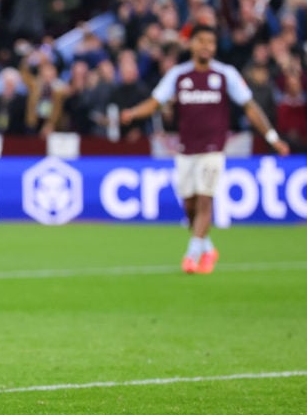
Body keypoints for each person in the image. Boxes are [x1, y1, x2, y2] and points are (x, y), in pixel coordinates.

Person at [121, 24, 290, 274]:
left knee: (204, 200)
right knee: (189, 205)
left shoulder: (225, 74)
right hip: (186, 149)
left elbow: (249, 107)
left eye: (211, 42)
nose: (206, 47)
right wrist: (133, 112)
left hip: (213, 148)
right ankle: (208, 247)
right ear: (191, 44)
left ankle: (191, 256)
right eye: (201, 41)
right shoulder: (179, 75)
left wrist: (272, 136)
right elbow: (156, 102)